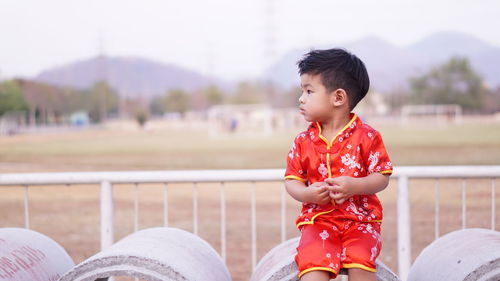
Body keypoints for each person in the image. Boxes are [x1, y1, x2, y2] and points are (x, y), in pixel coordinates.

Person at [284, 48, 393, 281]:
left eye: (309, 91)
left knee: (361, 264)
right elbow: (292, 180)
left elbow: (381, 176)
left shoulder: (368, 137)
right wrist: (307, 194)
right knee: (312, 268)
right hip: (318, 222)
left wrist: (355, 186)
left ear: (338, 98)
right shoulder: (303, 141)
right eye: (302, 90)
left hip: (361, 222)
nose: (301, 98)